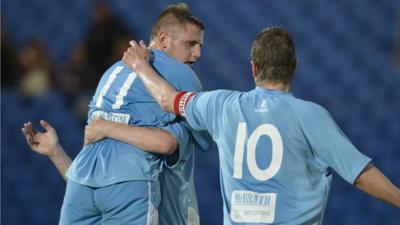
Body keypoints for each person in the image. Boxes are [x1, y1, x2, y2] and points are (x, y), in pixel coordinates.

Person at [121, 27, 400, 224]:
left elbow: (168, 99)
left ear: (253, 68)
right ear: (295, 67)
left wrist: (141, 66)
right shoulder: (311, 116)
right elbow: (361, 175)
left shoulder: (221, 106)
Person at [22, 3, 212, 225]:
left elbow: (91, 179)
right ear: (163, 39)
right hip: (145, 196)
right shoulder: (182, 76)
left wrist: (57, 152)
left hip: (81, 190)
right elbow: (181, 140)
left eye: (199, 45)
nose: (197, 54)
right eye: (190, 44)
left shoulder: (109, 75)